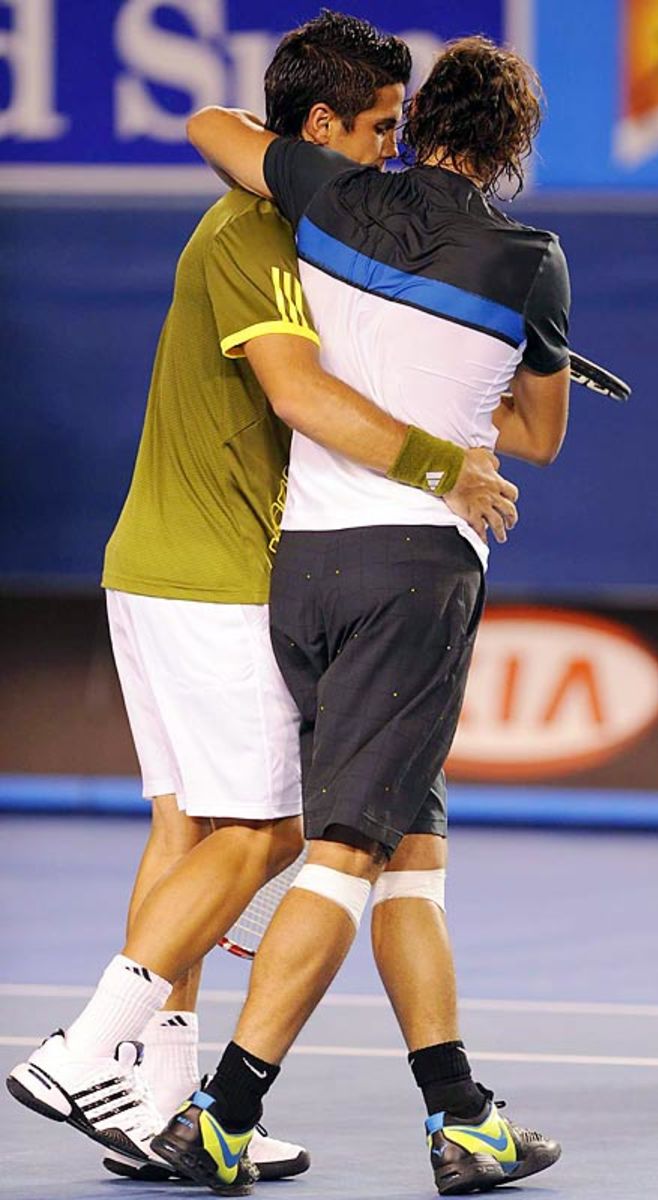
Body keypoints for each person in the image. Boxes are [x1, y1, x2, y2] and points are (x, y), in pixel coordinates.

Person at [6, 12, 518, 1189]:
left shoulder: (316, 228)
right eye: (379, 130)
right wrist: (452, 467)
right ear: (320, 128)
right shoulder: (257, 233)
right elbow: (300, 398)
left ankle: (157, 1095)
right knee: (273, 829)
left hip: (162, 564)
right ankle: (84, 1048)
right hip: (215, 570)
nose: (393, 153)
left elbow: (217, 127)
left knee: (190, 828)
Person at [151, 33, 571, 1197]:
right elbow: (533, 439)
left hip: (305, 571)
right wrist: (515, 359)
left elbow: (214, 131)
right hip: (412, 579)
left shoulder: (329, 193)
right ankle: (224, 1113)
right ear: (508, 149)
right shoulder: (530, 259)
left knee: (408, 859)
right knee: (342, 857)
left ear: (420, 117)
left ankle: (461, 1115)